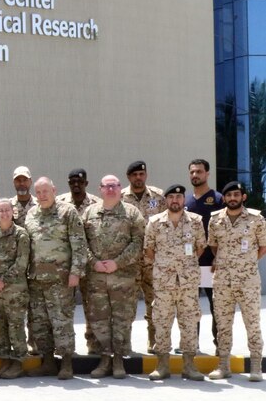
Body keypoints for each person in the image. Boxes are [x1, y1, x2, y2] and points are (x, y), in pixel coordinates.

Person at [81, 175, 144, 379]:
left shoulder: (132, 213)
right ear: (100, 189)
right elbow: (81, 242)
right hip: (96, 277)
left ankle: (118, 359)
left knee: (122, 318)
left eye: (114, 186)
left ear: (120, 189)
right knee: (99, 319)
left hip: (123, 277)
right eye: (106, 186)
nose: (110, 189)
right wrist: (94, 262)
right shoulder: (89, 213)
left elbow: (138, 243)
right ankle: (105, 358)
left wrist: (118, 262)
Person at [24, 177, 87, 380]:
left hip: (61, 279)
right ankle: (48, 362)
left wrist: (76, 272)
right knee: (40, 323)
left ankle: (66, 362)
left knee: (62, 321)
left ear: (54, 190)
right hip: (36, 279)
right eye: (39, 192)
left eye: (46, 191)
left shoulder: (67, 212)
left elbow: (79, 243)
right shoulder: (31, 214)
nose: (42, 196)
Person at [145, 185, 207, 381]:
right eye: (171, 197)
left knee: (189, 322)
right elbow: (149, 250)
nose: (175, 200)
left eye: (179, 197)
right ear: (166, 200)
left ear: (183, 199)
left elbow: (200, 248)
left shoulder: (196, 222)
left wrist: (184, 266)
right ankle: (162, 365)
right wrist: (166, 265)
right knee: (162, 322)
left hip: (188, 283)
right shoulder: (154, 222)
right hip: (164, 283)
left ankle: (189, 365)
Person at [207, 181, 266, 381]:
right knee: (223, 324)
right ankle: (223, 366)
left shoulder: (256, 219)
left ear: (243, 197)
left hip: (248, 280)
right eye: (229, 195)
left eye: (236, 194)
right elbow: (214, 246)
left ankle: (256, 366)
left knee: (252, 323)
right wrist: (227, 263)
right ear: (224, 198)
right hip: (223, 281)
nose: (233, 198)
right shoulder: (215, 220)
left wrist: (246, 262)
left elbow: (263, 246)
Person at [121, 161, 166, 353]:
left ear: (145, 175)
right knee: (126, 305)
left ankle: (154, 341)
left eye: (141, 174)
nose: (138, 177)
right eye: (134, 175)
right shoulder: (120, 197)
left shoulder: (158, 195)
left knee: (154, 303)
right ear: (128, 177)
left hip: (152, 260)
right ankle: (124, 343)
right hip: (129, 261)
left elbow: (165, 223)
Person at [56, 168, 102, 354]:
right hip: (66, 264)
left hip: (90, 264)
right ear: (68, 184)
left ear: (86, 184)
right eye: (72, 182)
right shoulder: (59, 203)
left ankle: (94, 346)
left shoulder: (97, 204)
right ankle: (66, 348)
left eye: (80, 182)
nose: (76, 185)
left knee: (92, 306)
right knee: (65, 306)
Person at [0, 200, 30, 379]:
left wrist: (3, 280)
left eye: (7, 210)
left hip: (15, 290)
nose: (4, 213)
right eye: (1, 211)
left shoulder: (21, 235)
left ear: (13, 212)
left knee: (16, 326)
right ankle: (4, 359)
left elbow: (21, 263)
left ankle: (19, 361)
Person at [185, 159, 222, 354]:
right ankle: (192, 344)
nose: (195, 175)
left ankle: (220, 345)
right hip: (190, 264)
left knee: (216, 305)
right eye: (192, 172)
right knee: (189, 306)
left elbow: (225, 232)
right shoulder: (185, 201)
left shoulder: (218, 199)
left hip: (211, 264)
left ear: (207, 174)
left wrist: (219, 258)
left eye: (199, 172)